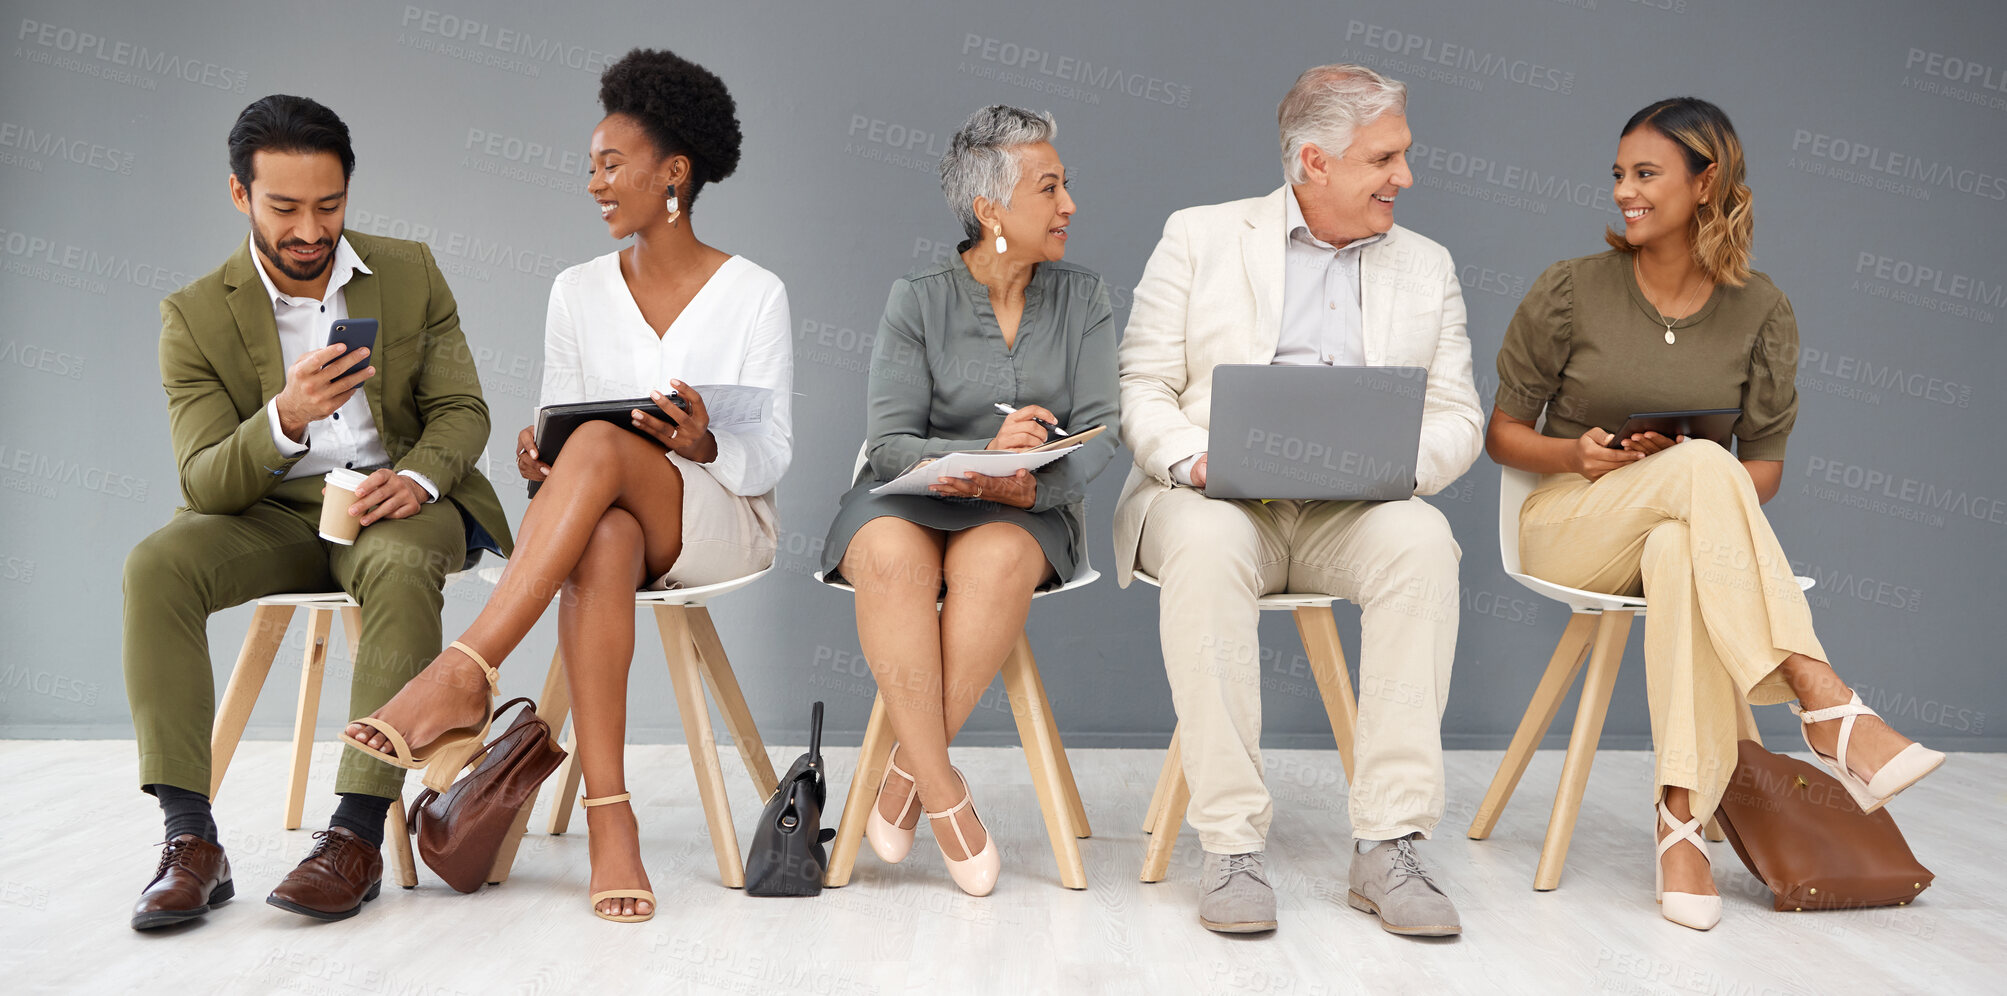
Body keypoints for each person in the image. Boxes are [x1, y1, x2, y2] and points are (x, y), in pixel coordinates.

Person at [342, 49, 792, 923]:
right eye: (589, 165)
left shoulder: (754, 293)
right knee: (601, 525)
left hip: (718, 517)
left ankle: (464, 670)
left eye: (610, 164)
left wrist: (701, 445)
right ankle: (610, 818)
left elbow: (770, 455)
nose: (592, 182)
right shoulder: (575, 290)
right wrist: (538, 464)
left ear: (674, 173)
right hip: (604, 521)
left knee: (597, 458)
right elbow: (560, 430)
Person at [1489, 96, 1944, 931]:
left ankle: (1680, 826)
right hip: (1569, 523)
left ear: (1707, 183)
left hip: (1677, 526)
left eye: (1646, 174)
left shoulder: (1759, 310)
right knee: (1700, 470)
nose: (1624, 191)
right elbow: (1502, 435)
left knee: (1677, 548)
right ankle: (1822, 698)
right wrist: (1575, 455)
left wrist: (1689, 477)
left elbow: (1760, 472)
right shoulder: (1569, 290)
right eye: (1619, 175)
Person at [123, 95, 513, 929]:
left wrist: (419, 478)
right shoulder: (193, 316)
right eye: (285, 208)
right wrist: (284, 418)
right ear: (240, 196)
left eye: (328, 205)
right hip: (274, 512)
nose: (310, 229)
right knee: (156, 566)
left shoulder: (409, 273)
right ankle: (190, 841)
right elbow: (205, 482)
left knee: (405, 562)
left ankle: (355, 835)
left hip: (396, 506)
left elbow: (462, 409)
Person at [1114, 65, 1481, 936]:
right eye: (1383, 158)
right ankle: (1232, 846)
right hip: (1213, 502)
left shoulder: (1426, 266)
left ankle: (1389, 844)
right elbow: (1141, 387)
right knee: (1204, 550)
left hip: (1352, 512)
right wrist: (1196, 462)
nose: (1404, 177)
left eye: (1403, 155)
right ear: (1313, 162)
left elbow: (1458, 413)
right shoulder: (1198, 236)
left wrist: (1392, 466)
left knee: (1422, 542)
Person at [819, 105, 1120, 897]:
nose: (1068, 206)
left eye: (1065, 186)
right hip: (911, 499)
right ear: (990, 210)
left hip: (1025, 507)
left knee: (990, 565)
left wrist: (1027, 480)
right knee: (886, 556)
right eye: (1048, 188)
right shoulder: (916, 299)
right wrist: (980, 455)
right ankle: (944, 793)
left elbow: (1104, 433)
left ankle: (903, 781)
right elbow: (887, 442)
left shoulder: (1083, 298)